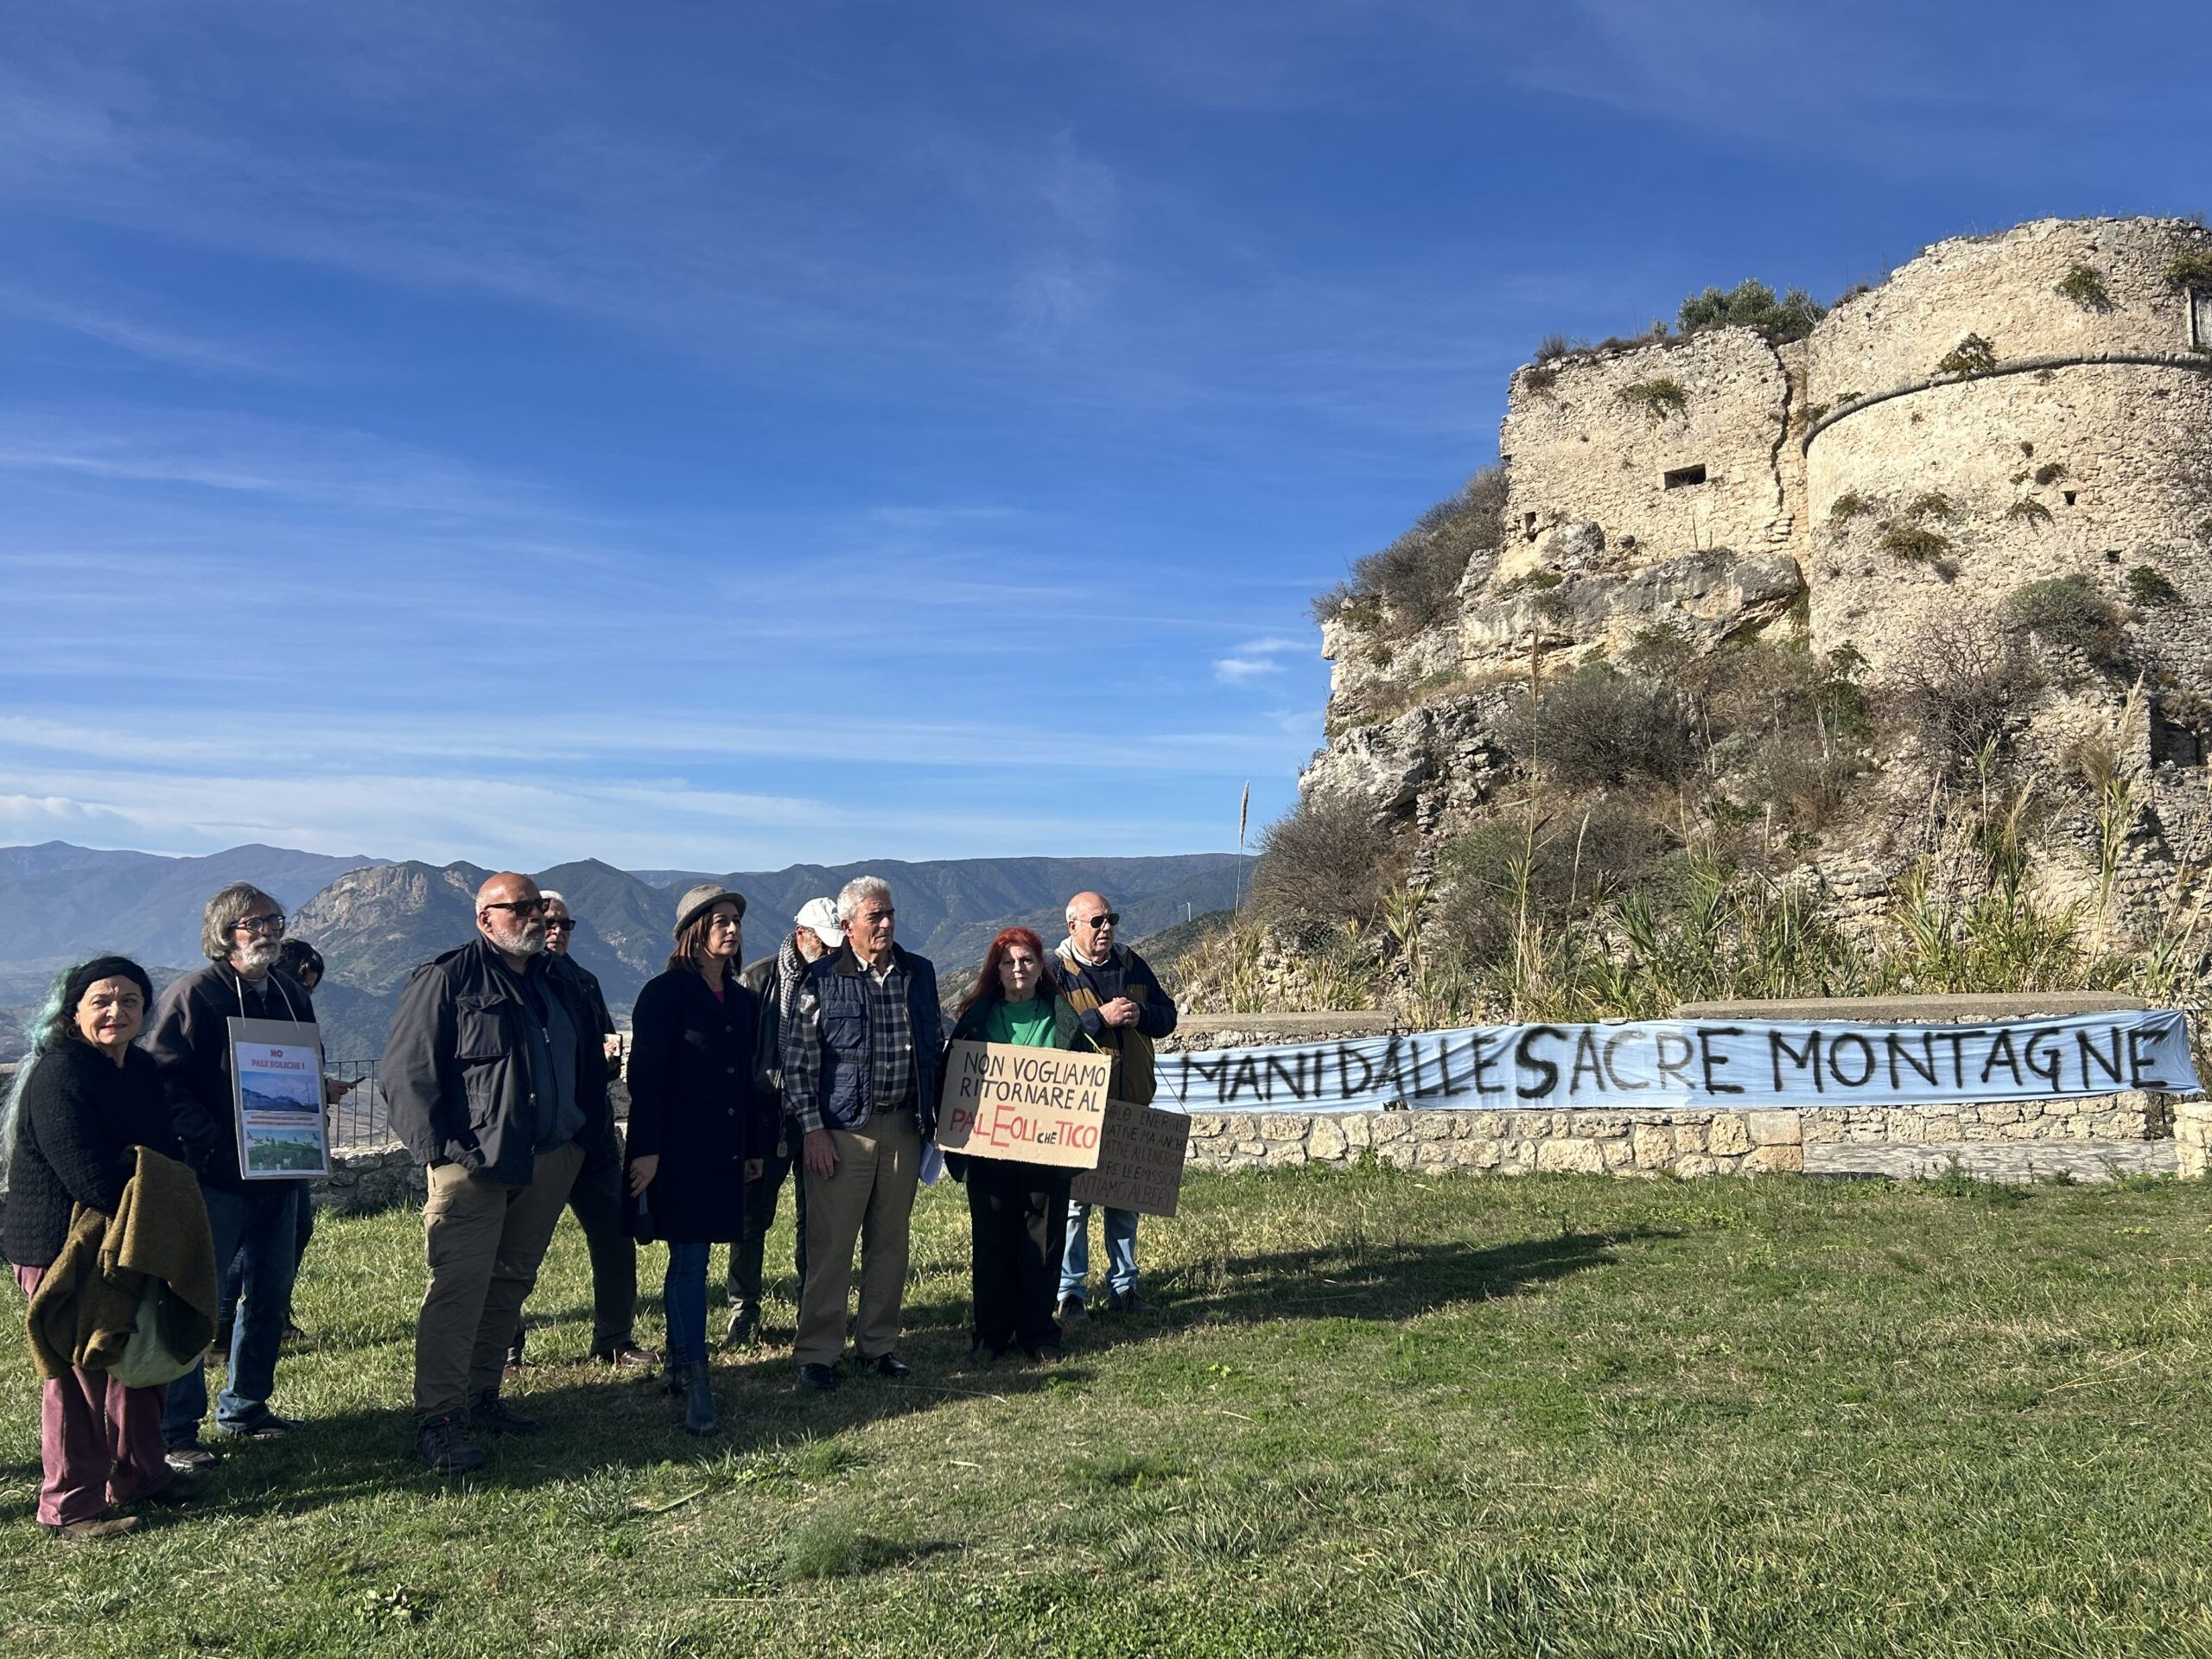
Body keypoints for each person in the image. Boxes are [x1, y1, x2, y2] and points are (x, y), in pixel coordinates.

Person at [382, 872, 612, 1476]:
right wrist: (441, 1155)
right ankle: (439, 1417)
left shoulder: (561, 982)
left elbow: (587, 1063)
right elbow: (407, 1073)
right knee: (458, 1290)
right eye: (520, 909)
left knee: (511, 1283)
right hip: (474, 1166)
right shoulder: (448, 978)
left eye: (539, 907)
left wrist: (583, 1141)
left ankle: (483, 1395)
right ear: (486, 919)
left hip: (551, 1158)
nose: (535, 918)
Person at [2, 957, 212, 1538]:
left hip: (131, 1232)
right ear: (75, 1012)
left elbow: (163, 1145)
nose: (116, 1011)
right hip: (61, 1244)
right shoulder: (60, 1075)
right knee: (80, 1371)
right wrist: (161, 1202)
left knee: (140, 1359)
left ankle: (141, 1474)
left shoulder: (139, 1068)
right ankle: (69, 1505)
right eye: (102, 1001)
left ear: (145, 1012)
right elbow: (86, 1176)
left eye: (130, 1001)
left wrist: (161, 1199)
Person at [146, 883, 317, 1466]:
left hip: (282, 1172)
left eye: (275, 920)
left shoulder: (292, 993)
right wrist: (219, 1142)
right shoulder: (194, 995)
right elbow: (164, 1082)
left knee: (270, 1292)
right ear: (225, 932)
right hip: (215, 1177)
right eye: (254, 922)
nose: (269, 930)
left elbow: (303, 1067)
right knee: (198, 1298)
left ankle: (246, 1408)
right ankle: (176, 1429)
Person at [782, 876, 943, 1392]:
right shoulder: (821, 980)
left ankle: (878, 1345)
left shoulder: (919, 973)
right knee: (831, 1246)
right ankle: (818, 1353)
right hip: (840, 1132)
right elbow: (799, 1066)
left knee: (891, 1243)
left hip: (903, 1125)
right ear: (848, 925)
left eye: (890, 913)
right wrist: (813, 1131)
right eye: (875, 917)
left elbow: (932, 1044)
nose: (887, 924)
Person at [625, 887, 768, 1433]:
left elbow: (748, 1082)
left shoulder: (741, 1000)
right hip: (678, 1151)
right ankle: (695, 1373)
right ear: (694, 931)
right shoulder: (663, 996)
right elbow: (646, 1082)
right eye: (721, 922)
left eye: (736, 922)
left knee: (692, 1259)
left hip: (726, 1149)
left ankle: (680, 1361)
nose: (731, 931)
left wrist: (753, 1148)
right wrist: (646, 1151)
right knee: (690, 1261)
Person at [504, 891, 655, 1374]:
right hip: (537, 1139)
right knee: (518, 1248)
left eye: (567, 925)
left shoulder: (584, 983)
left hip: (590, 1134)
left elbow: (599, 1055)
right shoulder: (512, 984)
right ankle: (504, 1349)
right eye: (548, 922)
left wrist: (608, 1061)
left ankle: (614, 1338)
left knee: (614, 1236)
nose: (557, 932)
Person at [944, 929, 1095, 1363]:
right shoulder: (976, 1019)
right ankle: (990, 1334)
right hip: (990, 1150)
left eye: (1027, 961)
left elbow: (1084, 1074)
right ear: (996, 969)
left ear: (1040, 966)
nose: (1018, 970)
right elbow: (954, 1075)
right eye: (1009, 962)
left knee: (1044, 1242)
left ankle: (1039, 1334)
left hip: (1047, 1151)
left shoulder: (1061, 1016)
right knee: (993, 1243)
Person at [1051, 892, 1179, 1325]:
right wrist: (1098, 1020)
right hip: (1079, 1109)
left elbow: (1168, 1017)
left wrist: (1140, 1012)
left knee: (1125, 1199)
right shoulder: (1055, 973)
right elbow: (1052, 1036)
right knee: (1074, 1206)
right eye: (1097, 921)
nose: (1106, 928)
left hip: (1130, 1102)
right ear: (1073, 927)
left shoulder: (1133, 964)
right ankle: (1070, 1294)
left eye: (1112, 919)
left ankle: (1124, 1287)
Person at [726, 895, 840, 1346]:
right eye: (823, 944)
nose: (830, 953)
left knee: (815, 1219)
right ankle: (743, 1311)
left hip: (819, 1115)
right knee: (753, 1218)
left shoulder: (836, 978)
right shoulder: (758, 979)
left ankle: (809, 1308)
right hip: (767, 1112)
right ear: (801, 936)